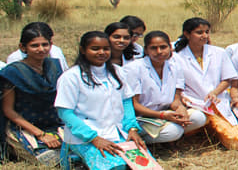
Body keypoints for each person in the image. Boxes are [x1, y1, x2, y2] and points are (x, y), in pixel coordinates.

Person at [54, 31, 148, 170]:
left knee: (143, 166)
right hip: (85, 137)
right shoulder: (71, 77)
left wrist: (132, 129)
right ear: (83, 50)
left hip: (118, 133)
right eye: (95, 49)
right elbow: (65, 113)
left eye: (106, 48)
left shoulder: (118, 72)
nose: (101, 52)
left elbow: (126, 102)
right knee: (118, 166)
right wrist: (94, 138)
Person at [173, 17, 238, 150]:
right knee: (198, 119)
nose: (204, 36)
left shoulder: (218, 52)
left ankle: (206, 129)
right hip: (193, 102)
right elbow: (175, 84)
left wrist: (215, 92)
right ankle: (200, 129)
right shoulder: (176, 56)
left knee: (236, 143)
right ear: (186, 34)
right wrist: (183, 97)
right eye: (199, 32)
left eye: (207, 32)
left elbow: (227, 79)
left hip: (217, 100)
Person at [124, 31, 207, 144]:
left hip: (166, 113)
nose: (159, 52)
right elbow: (135, 105)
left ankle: (165, 136)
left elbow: (176, 99)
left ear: (170, 48)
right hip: (142, 117)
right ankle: (139, 141)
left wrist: (181, 110)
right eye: (154, 48)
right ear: (146, 50)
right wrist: (163, 115)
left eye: (163, 47)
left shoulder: (174, 67)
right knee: (173, 131)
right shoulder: (134, 68)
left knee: (198, 118)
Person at [0, 26, 64, 165]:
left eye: (45, 44)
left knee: (77, 150)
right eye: (35, 45)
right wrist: (41, 134)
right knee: (50, 158)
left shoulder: (54, 66)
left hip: (54, 122)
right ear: (23, 47)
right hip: (23, 126)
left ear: (51, 45)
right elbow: (8, 110)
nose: (41, 49)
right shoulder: (13, 72)